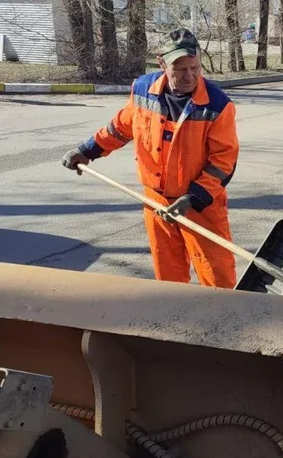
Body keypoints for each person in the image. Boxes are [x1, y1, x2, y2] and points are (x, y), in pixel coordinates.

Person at [62, 28, 240, 288]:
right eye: (180, 69)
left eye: (195, 68)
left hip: (200, 204)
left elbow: (224, 162)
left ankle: (222, 321)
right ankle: (171, 320)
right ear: (161, 63)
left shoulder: (217, 105)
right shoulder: (144, 90)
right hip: (156, 201)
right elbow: (120, 128)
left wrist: (192, 198)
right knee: (168, 274)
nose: (189, 76)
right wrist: (87, 150)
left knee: (216, 274)